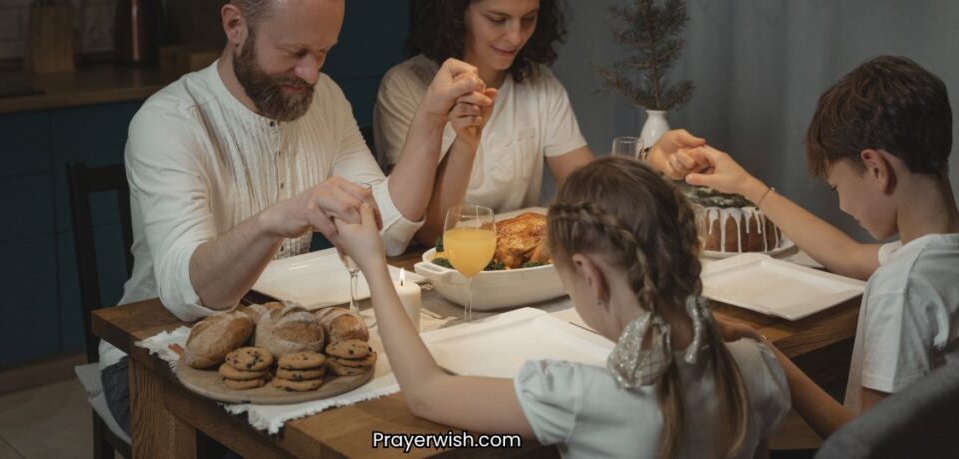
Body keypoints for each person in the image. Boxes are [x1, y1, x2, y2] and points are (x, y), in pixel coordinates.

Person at [98, 0, 494, 436]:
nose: (310, 74)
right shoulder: (169, 121)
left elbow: (388, 232)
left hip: (281, 343)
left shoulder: (323, 97)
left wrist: (430, 122)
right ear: (235, 25)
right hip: (155, 357)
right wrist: (276, 220)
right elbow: (184, 292)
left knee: (395, 433)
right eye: (294, 51)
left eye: (324, 52)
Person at [336, 156, 790, 458]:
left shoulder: (579, 394)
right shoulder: (755, 367)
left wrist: (375, 266)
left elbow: (425, 393)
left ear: (588, 275)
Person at [373, 0, 705, 245]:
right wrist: (465, 143)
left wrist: (648, 162)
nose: (515, 36)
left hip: (518, 258)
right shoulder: (406, 86)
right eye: (498, 19)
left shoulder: (540, 84)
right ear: (458, 11)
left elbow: (588, 190)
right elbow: (432, 234)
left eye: (528, 19)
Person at [688, 56, 959, 437]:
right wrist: (748, 186)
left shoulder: (902, 288)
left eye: (836, 188)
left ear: (876, 168)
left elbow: (870, 444)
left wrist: (764, 350)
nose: (843, 206)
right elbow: (845, 255)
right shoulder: (935, 257)